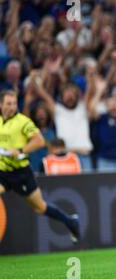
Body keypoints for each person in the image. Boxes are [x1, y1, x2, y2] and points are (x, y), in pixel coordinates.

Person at [0, 90, 80, 242]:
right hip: (3, 172)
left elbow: (40, 141)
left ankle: (71, 222)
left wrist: (20, 151)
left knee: (39, 207)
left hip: (21, 173)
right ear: (1, 105)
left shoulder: (22, 122)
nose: (12, 107)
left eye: (14, 103)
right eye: (8, 104)